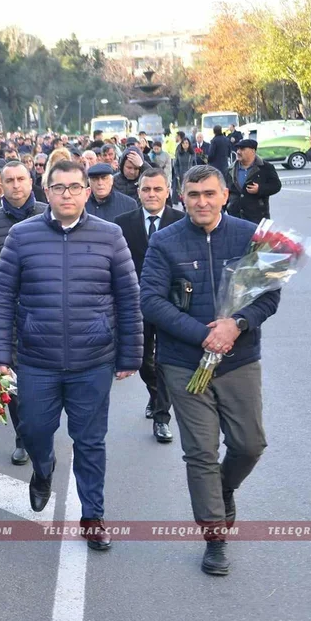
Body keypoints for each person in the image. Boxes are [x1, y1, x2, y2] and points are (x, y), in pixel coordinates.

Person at [0, 159, 142, 552]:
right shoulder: (21, 236)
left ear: (87, 192)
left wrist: (130, 356)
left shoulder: (110, 236)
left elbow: (128, 298)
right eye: (59, 187)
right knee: (35, 431)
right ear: (47, 192)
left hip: (93, 362)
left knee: (90, 442)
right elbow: (1, 298)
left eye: (75, 187)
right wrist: (0, 353)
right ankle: (43, 467)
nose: (67, 194)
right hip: (37, 361)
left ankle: (94, 516)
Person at [140, 164, 280, 576]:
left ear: (224, 195)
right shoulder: (164, 242)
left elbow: (269, 297)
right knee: (200, 451)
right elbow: (150, 301)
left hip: (239, 359)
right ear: (180, 197)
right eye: (193, 194)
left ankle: (225, 487)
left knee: (250, 444)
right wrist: (203, 335)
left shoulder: (250, 235)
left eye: (209, 194)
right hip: (184, 364)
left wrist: (235, 325)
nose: (201, 202)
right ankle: (215, 536)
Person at [0, 160, 47, 465]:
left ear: (31, 182)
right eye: (10, 180)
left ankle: (42, 427)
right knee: (14, 379)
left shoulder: (48, 213)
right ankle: (24, 435)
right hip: (10, 314)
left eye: (21, 179)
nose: (16, 185)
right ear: (0, 185)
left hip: (48, 313)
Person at [114, 169, 185, 443]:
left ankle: (161, 417)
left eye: (157, 189)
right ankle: (155, 395)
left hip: (171, 303)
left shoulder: (181, 221)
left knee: (165, 359)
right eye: (146, 189)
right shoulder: (123, 223)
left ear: (168, 191)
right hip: (136, 304)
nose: (152, 194)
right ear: (139, 192)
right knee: (143, 360)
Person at [226, 139, 280, 224]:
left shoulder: (266, 167)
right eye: (238, 149)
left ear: (253, 151)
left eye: (242, 149)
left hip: (257, 217)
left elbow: (276, 186)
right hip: (235, 217)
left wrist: (260, 189)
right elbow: (225, 192)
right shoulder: (230, 169)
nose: (238, 152)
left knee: (256, 238)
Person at [172, 137, 200, 206]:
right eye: (183, 143)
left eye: (187, 143)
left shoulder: (192, 153)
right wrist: (177, 174)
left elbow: (194, 164)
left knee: (190, 190)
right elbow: (176, 165)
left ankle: (189, 204)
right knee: (182, 191)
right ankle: (183, 203)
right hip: (181, 174)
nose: (185, 144)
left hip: (190, 175)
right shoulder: (179, 153)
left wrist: (195, 173)